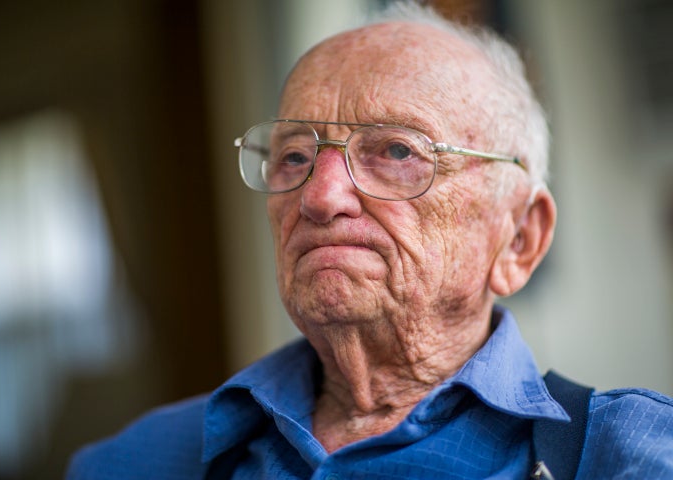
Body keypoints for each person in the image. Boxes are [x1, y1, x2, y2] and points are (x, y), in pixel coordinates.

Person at [67, 2, 673, 479]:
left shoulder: (628, 457)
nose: (320, 196)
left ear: (519, 237)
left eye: (399, 151)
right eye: (295, 155)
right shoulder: (133, 463)